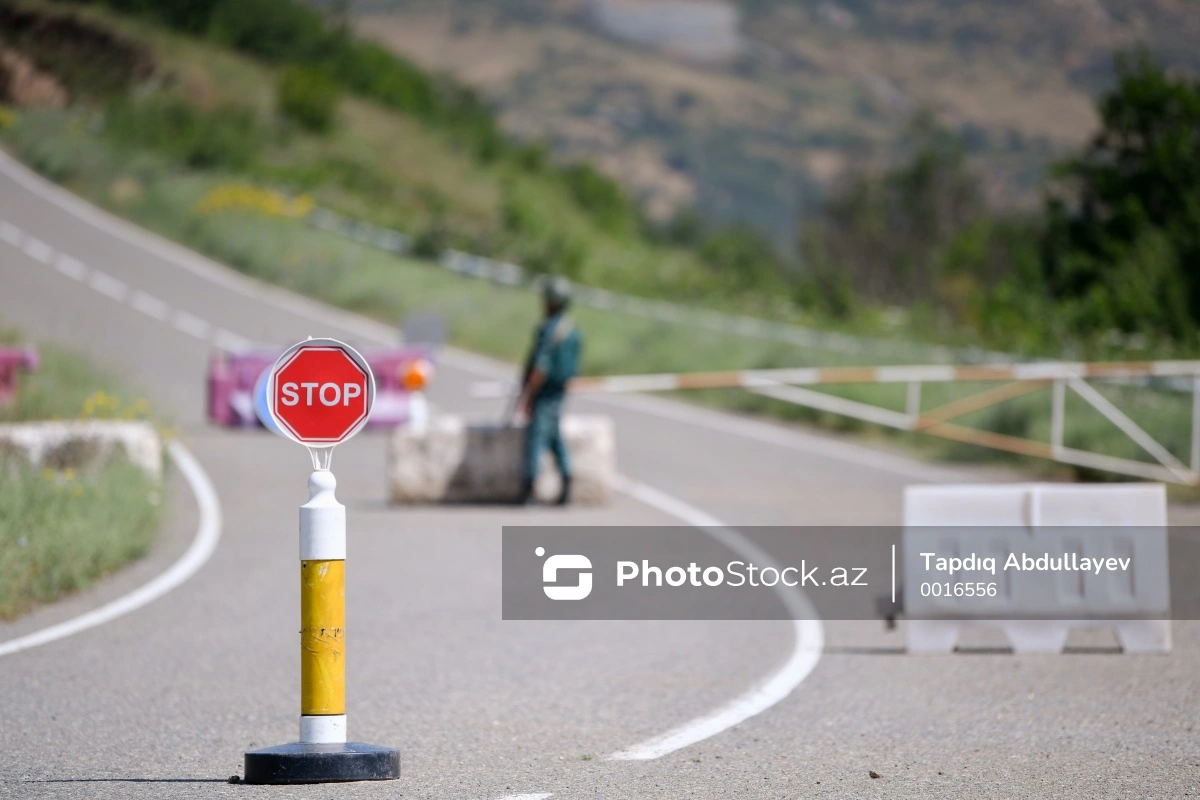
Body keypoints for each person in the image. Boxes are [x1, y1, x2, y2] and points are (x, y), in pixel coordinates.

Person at [517, 276, 582, 505]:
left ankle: (528, 488)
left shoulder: (550, 329)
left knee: (537, 438)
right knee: (554, 437)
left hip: (544, 392)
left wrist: (527, 395)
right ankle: (566, 482)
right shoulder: (572, 330)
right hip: (559, 392)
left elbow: (540, 367)